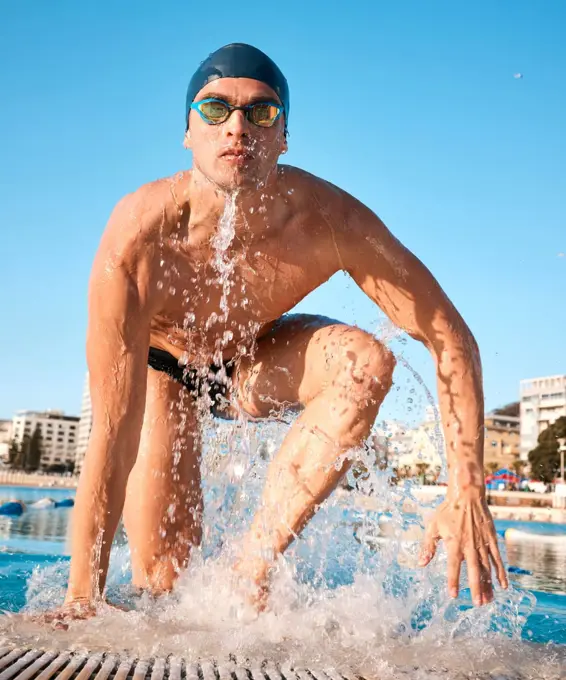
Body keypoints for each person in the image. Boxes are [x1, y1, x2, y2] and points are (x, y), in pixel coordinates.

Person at [54, 43, 507, 621]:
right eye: (215, 109)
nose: (237, 127)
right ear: (186, 131)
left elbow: (449, 335)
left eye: (260, 112)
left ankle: (249, 574)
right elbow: (113, 433)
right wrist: (79, 599)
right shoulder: (138, 240)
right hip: (164, 372)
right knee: (163, 590)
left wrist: (466, 487)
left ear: (285, 135)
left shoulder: (328, 220)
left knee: (363, 363)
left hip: (252, 362)